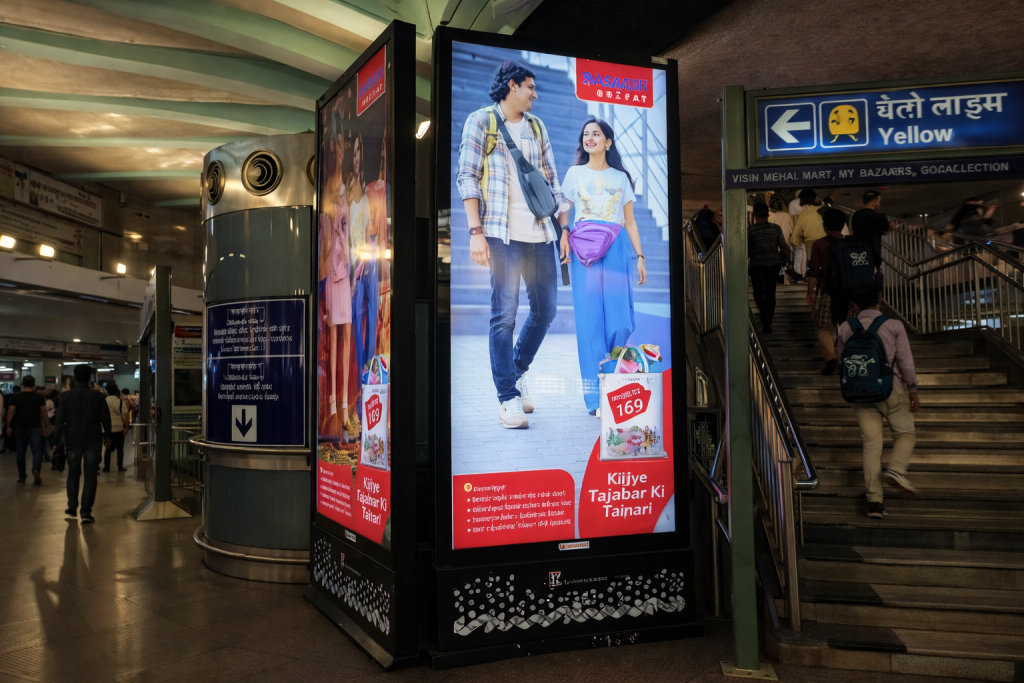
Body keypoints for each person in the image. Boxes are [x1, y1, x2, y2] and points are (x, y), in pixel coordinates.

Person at [457, 60, 565, 429]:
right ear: (512, 86)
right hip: (502, 235)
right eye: (530, 87)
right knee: (504, 315)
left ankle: (516, 372)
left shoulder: (537, 127)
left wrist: (563, 229)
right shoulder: (481, 122)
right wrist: (475, 233)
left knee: (546, 311)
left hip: (540, 234)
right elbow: (467, 177)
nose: (535, 94)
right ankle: (507, 398)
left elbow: (552, 180)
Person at [559, 118, 647, 415]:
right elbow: (564, 210)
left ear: (608, 141)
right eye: (586, 134)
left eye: (596, 134)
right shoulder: (574, 173)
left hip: (616, 246)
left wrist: (640, 256)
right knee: (590, 323)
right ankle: (597, 400)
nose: (590, 138)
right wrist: (564, 233)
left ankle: (613, 384)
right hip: (584, 248)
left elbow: (631, 221)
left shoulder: (621, 178)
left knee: (620, 320)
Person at [836, 289, 920, 520]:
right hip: (890, 390)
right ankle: (895, 470)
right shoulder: (893, 325)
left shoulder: (845, 327)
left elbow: (844, 361)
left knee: (871, 445)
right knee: (905, 433)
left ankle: (875, 503)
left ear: (854, 305)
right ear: (879, 302)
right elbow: (905, 360)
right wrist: (912, 389)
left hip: (860, 393)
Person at [321, 109, 354, 436]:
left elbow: (347, 232)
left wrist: (354, 265)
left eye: (343, 146)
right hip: (333, 269)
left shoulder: (342, 184)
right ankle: (334, 406)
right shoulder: (331, 186)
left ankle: (343, 405)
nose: (340, 150)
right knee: (334, 335)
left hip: (344, 267)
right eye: (338, 146)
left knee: (345, 334)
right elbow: (330, 232)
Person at [52, 365, 111, 524]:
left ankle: (72, 506)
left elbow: (60, 420)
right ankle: (86, 512)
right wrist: (108, 435)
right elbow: (105, 417)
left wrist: (55, 440)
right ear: (91, 377)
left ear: (75, 377)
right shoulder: (97, 396)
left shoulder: (65, 396)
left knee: (73, 473)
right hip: (93, 439)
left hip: (73, 440)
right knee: (91, 475)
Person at [806, 209, 849, 375]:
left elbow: (814, 270)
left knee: (823, 327)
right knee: (847, 327)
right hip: (848, 293)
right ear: (843, 225)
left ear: (824, 226)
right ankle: (848, 360)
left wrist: (810, 292)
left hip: (827, 292)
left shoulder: (820, 244)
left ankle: (831, 359)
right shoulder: (849, 243)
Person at [746, 202, 792, 334]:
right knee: (770, 293)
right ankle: (768, 323)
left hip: (757, 264)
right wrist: (790, 262)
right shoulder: (776, 228)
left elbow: (748, 249)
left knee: (758, 292)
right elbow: (783, 246)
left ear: (754, 215)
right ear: (767, 214)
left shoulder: (750, 230)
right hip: (774, 263)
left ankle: (764, 312)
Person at [5, 375, 50, 485]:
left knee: (21, 452)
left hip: (20, 427)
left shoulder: (16, 397)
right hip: (35, 427)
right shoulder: (38, 397)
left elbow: (11, 411)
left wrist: (8, 426)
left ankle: (22, 476)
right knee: (37, 451)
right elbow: (43, 412)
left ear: (22, 384)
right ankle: (35, 469)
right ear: (34, 385)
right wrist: (46, 426)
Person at [789, 189, 825, 280]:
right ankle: (803, 276)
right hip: (810, 234)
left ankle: (804, 275)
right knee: (803, 257)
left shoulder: (797, 204)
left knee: (802, 256)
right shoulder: (798, 204)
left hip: (806, 235)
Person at [850, 190, 891, 270]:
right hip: (873, 252)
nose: (879, 204)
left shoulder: (855, 215)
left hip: (857, 252)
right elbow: (886, 231)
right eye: (879, 201)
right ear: (874, 201)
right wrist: (892, 227)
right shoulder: (880, 216)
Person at [102, 383, 130, 472]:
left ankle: (107, 467)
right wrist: (126, 427)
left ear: (107, 391)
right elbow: (125, 416)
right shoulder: (120, 401)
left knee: (108, 448)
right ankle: (120, 466)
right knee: (120, 448)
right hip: (118, 428)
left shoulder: (103, 401)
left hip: (106, 428)